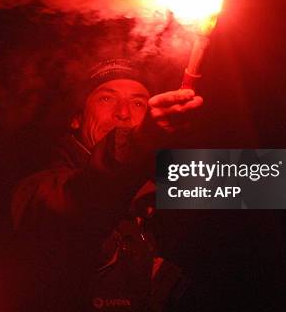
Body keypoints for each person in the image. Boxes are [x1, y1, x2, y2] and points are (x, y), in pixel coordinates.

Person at [10, 59, 203, 312]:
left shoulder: (162, 188)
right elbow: (84, 198)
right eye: (106, 99)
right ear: (76, 120)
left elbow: (262, 179)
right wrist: (137, 141)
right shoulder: (39, 190)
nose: (123, 113)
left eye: (138, 103)